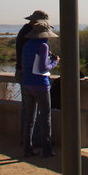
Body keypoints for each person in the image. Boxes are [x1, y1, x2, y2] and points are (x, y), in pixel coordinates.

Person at [21, 20, 59, 158]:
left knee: (29, 118)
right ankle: (47, 149)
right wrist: (54, 62)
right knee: (45, 117)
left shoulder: (26, 45)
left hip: (26, 84)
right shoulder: (43, 46)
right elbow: (43, 68)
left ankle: (27, 148)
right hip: (41, 85)